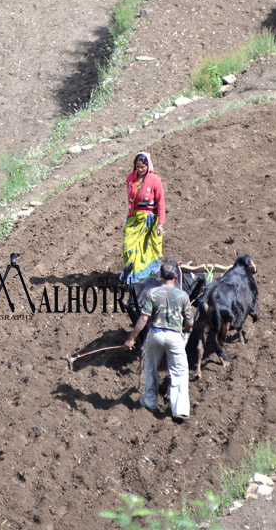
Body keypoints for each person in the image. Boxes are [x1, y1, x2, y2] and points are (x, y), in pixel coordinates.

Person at [124, 259, 193, 421]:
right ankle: (180, 409)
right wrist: (188, 329)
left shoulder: (152, 294)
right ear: (176, 276)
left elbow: (143, 318)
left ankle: (150, 401)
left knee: (151, 368)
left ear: (160, 276)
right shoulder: (183, 295)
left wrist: (131, 338)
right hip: (175, 336)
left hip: (155, 335)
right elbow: (189, 321)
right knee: (179, 371)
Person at [121, 152, 166, 284]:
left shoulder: (155, 181)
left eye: (143, 167)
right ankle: (131, 277)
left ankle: (144, 278)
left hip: (150, 221)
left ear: (148, 166)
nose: (140, 170)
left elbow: (161, 204)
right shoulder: (130, 178)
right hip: (134, 219)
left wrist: (160, 224)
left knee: (147, 250)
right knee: (128, 248)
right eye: (137, 167)